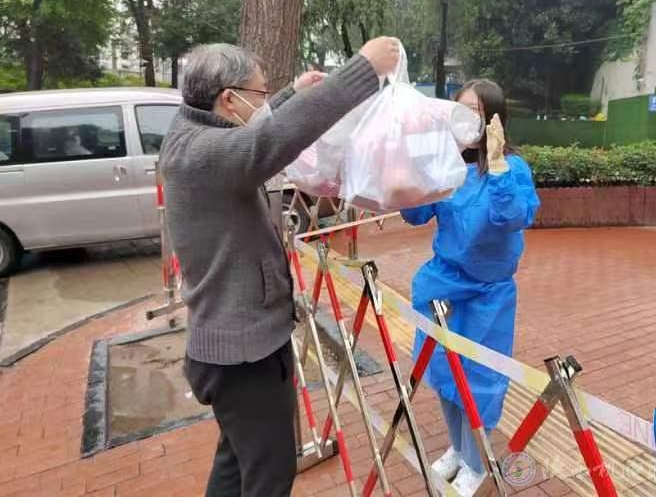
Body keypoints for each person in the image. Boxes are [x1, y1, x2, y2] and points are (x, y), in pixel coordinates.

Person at [160, 38, 400, 497]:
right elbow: (269, 140)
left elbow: (255, 131)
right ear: (229, 99)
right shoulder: (205, 153)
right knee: (268, 478)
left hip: (231, 347)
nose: (266, 100)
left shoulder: (191, 130)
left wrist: (292, 93)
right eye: (261, 93)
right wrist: (363, 69)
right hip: (245, 355)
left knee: (235, 466)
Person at [401, 79, 540, 496]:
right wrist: (414, 169)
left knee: (478, 381)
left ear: (495, 119)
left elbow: (512, 217)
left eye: (476, 112)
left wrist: (496, 165)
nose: (466, 121)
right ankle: (459, 449)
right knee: (443, 372)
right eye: (460, 110)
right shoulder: (448, 164)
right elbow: (416, 214)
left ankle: (476, 463)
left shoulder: (512, 168)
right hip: (443, 286)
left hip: (487, 297)